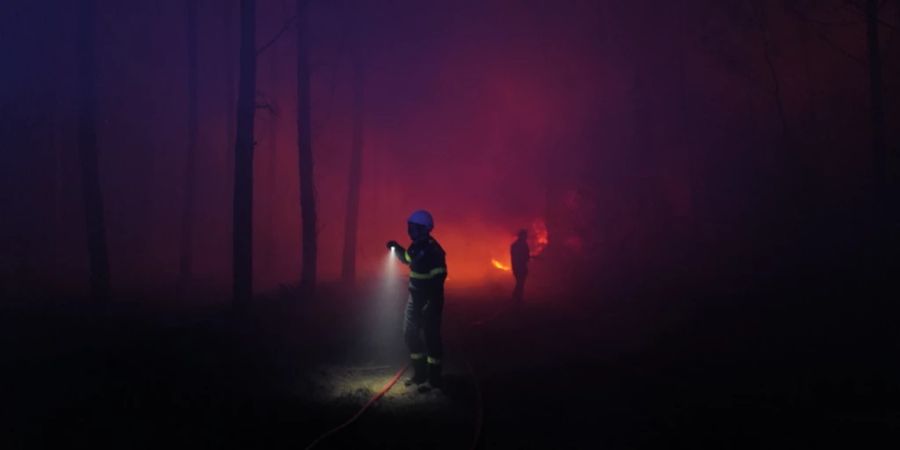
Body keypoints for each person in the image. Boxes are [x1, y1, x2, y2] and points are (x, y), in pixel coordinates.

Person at [386, 210, 448, 391]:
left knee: (431, 337)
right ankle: (420, 375)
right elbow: (408, 259)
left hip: (431, 300)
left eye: (414, 228)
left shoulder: (434, 251)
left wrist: (430, 303)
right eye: (409, 227)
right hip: (415, 298)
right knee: (410, 334)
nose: (410, 231)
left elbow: (439, 278)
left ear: (424, 229)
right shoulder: (415, 246)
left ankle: (434, 379)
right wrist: (396, 248)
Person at [510, 229, 530, 303]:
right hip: (521, 267)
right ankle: (517, 297)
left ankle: (517, 297)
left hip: (516, 267)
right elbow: (526, 257)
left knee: (520, 282)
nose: (526, 237)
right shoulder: (523, 245)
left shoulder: (514, 245)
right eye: (525, 236)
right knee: (520, 282)